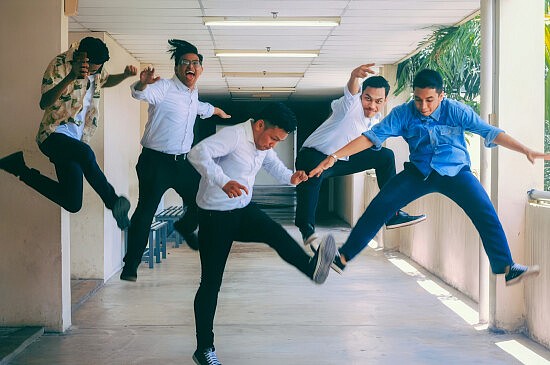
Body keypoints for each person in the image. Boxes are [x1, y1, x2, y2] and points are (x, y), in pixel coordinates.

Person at [310, 69, 545, 285]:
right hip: (419, 173)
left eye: (429, 100)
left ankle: (506, 267)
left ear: (441, 95)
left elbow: (490, 132)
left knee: (485, 212)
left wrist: (525, 149)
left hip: (456, 173)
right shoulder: (403, 113)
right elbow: (372, 136)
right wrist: (335, 155)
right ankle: (342, 258)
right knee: (380, 206)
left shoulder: (457, 111)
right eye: (418, 99)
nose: (423, 106)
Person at [188, 102, 336, 365]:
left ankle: (312, 269)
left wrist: (292, 177)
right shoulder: (234, 136)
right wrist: (223, 181)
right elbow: (197, 153)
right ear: (259, 126)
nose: (273, 145)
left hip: (243, 209)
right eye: (273, 138)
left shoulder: (262, 144)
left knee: (277, 234)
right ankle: (204, 349)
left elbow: (274, 166)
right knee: (211, 283)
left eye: (279, 141)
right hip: (214, 216)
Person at [120, 39, 231, 282]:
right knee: (146, 210)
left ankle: (183, 226)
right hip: (155, 162)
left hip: (181, 163)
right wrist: (142, 82)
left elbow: (199, 108)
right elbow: (139, 93)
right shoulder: (164, 88)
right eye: (185, 63)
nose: (191, 67)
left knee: (201, 201)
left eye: (195, 63)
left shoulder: (193, 94)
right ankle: (131, 265)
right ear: (177, 68)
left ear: (200, 69)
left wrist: (217, 111)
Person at [0, 37, 137, 229]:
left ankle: (19, 168)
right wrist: (71, 76)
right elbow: (44, 103)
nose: (94, 72)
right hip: (52, 135)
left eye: (98, 69)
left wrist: (123, 75)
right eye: (92, 67)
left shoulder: (96, 70)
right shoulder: (59, 65)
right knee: (86, 154)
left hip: (75, 141)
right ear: (83, 57)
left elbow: (105, 80)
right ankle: (113, 202)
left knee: (72, 203)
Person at [295, 64, 425, 245]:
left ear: (385, 101)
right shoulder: (349, 106)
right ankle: (306, 227)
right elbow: (350, 93)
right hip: (312, 155)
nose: (372, 106)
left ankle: (392, 214)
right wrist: (354, 77)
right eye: (367, 99)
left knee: (386, 156)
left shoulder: (375, 122)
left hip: (340, 160)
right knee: (313, 175)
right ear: (361, 96)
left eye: (378, 101)